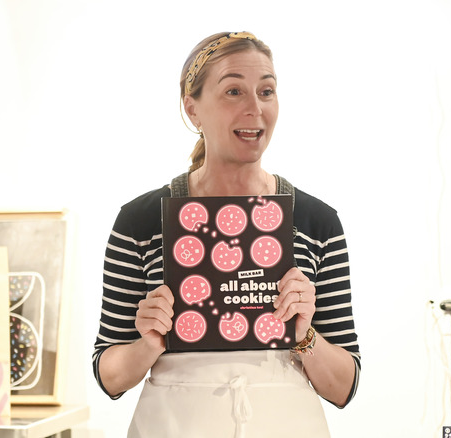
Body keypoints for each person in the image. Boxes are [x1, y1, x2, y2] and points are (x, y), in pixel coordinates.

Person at [92, 31, 361, 438]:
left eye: (266, 91)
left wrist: (304, 334)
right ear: (193, 108)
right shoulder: (140, 222)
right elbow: (109, 376)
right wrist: (147, 343)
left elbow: (344, 386)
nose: (255, 108)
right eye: (233, 91)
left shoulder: (317, 223)